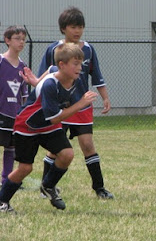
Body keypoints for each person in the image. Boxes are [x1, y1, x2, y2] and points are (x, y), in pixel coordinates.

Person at [0, 43, 97, 213]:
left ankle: (48, 186)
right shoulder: (51, 85)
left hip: (46, 126)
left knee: (67, 154)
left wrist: (35, 81)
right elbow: (55, 118)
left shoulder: (69, 77)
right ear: (63, 65)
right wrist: (81, 103)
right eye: (75, 63)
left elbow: (51, 67)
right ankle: (2, 201)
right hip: (28, 126)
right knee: (25, 168)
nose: (79, 68)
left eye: (80, 63)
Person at [37, 6, 114, 199]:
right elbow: (42, 78)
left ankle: (99, 188)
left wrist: (104, 97)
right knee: (55, 150)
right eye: (73, 26)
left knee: (88, 145)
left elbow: (96, 75)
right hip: (59, 108)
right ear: (63, 28)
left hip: (82, 106)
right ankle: (46, 187)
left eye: (80, 26)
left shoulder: (87, 49)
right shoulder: (54, 49)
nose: (77, 31)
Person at [0, 26, 29, 186]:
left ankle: (7, 180)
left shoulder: (22, 67)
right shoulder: (1, 61)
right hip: (1, 112)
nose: (21, 42)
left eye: (23, 39)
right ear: (8, 40)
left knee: (11, 147)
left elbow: (23, 95)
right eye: (17, 38)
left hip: (14, 114)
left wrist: (23, 112)